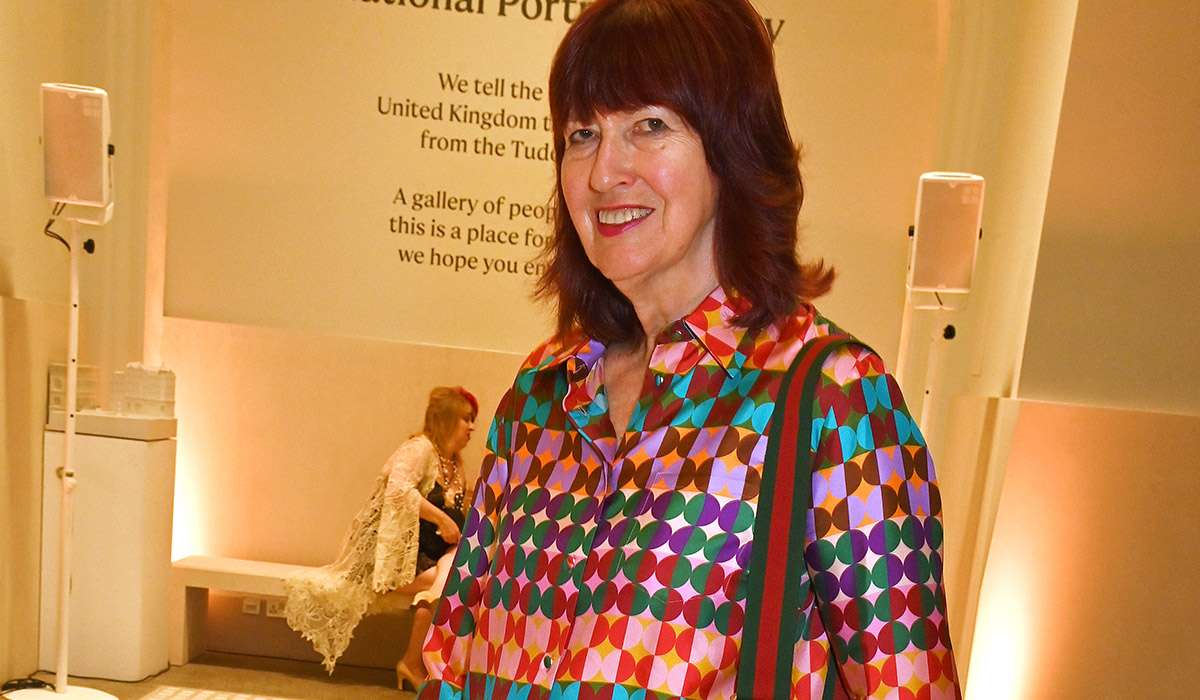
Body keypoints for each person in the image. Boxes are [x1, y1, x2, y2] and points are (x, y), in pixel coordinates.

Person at [418, 0, 962, 698]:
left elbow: (909, 687)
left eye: (649, 125)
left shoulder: (832, 399)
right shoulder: (542, 390)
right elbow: (453, 659)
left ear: (731, 145)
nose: (604, 172)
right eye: (582, 134)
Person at [284, 386, 476, 690]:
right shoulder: (420, 449)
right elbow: (397, 491)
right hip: (399, 560)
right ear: (447, 417)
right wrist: (441, 519)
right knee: (453, 581)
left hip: (431, 558)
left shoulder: (456, 465)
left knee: (454, 572)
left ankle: (421, 659)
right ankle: (418, 663)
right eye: (466, 418)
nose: (472, 427)